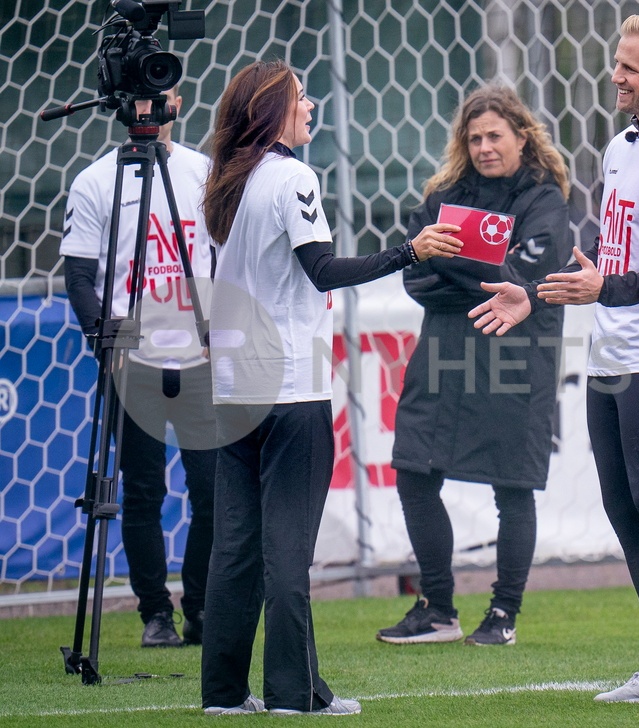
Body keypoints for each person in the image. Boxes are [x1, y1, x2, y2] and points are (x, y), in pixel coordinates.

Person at [470, 14, 639, 710]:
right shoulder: (623, 146)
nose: (615, 75)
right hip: (612, 345)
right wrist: (535, 293)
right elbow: (608, 250)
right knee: (623, 504)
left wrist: (606, 290)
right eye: (617, 63)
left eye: (630, 67)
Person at [199, 60, 459, 716]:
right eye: (300, 98)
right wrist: (409, 251)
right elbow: (321, 270)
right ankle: (296, 695)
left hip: (234, 387)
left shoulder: (234, 181)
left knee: (236, 549)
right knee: (287, 552)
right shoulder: (290, 175)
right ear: (272, 111)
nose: (311, 107)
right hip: (288, 388)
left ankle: (224, 695)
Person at [376, 84, 572, 647]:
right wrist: (478, 268)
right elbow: (413, 273)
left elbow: (519, 282)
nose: (484, 146)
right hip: (443, 353)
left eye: (495, 136)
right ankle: (437, 609)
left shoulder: (543, 199)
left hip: (514, 359)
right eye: (474, 136)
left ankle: (503, 614)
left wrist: (452, 260)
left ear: (521, 137)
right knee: (414, 471)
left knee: (512, 488)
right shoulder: (445, 193)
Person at [61, 87, 214, 648]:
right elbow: (78, 277)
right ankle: (156, 615)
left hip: (200, 359)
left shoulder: (206, 172)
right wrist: (109, 339)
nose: (153, 103)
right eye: (142, 94)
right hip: (133, 361)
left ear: (178, 96)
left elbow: (228, 256)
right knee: (143, 493)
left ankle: (201, 607)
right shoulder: (96, 180)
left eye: (162, 90)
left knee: (215, 493)